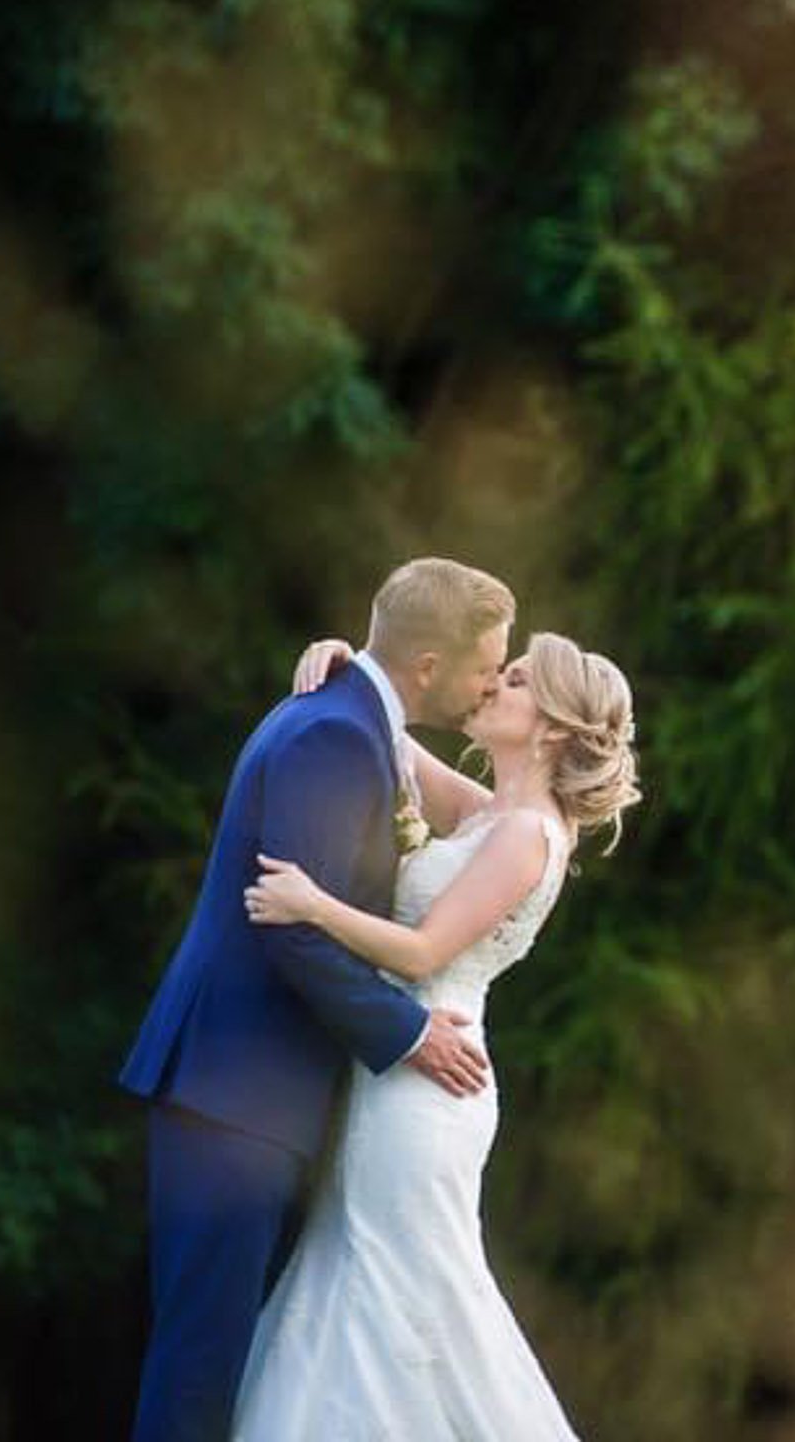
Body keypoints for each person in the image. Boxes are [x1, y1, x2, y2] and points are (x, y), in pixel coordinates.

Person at [120, 557, 515, 1442]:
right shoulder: (337, 734)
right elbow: (288, 925)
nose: (493, 678)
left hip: (244, 1091)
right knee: (200, 1356)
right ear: (426, 667)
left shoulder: (353, 717)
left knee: (209, 1350)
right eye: (487, 662)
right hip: (234, 1088)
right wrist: (410, 1033)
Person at [227, 627, 641, 1440]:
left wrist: (312, 904)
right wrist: (351, 663)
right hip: (396, 1072)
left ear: (553, 726)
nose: (494, 685)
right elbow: (396, 741)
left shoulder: (528, 835)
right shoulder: (495, 813)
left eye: (515, 679)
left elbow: (423, 949)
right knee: (361, 1276)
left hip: (428, 1088)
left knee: (397, 1289)